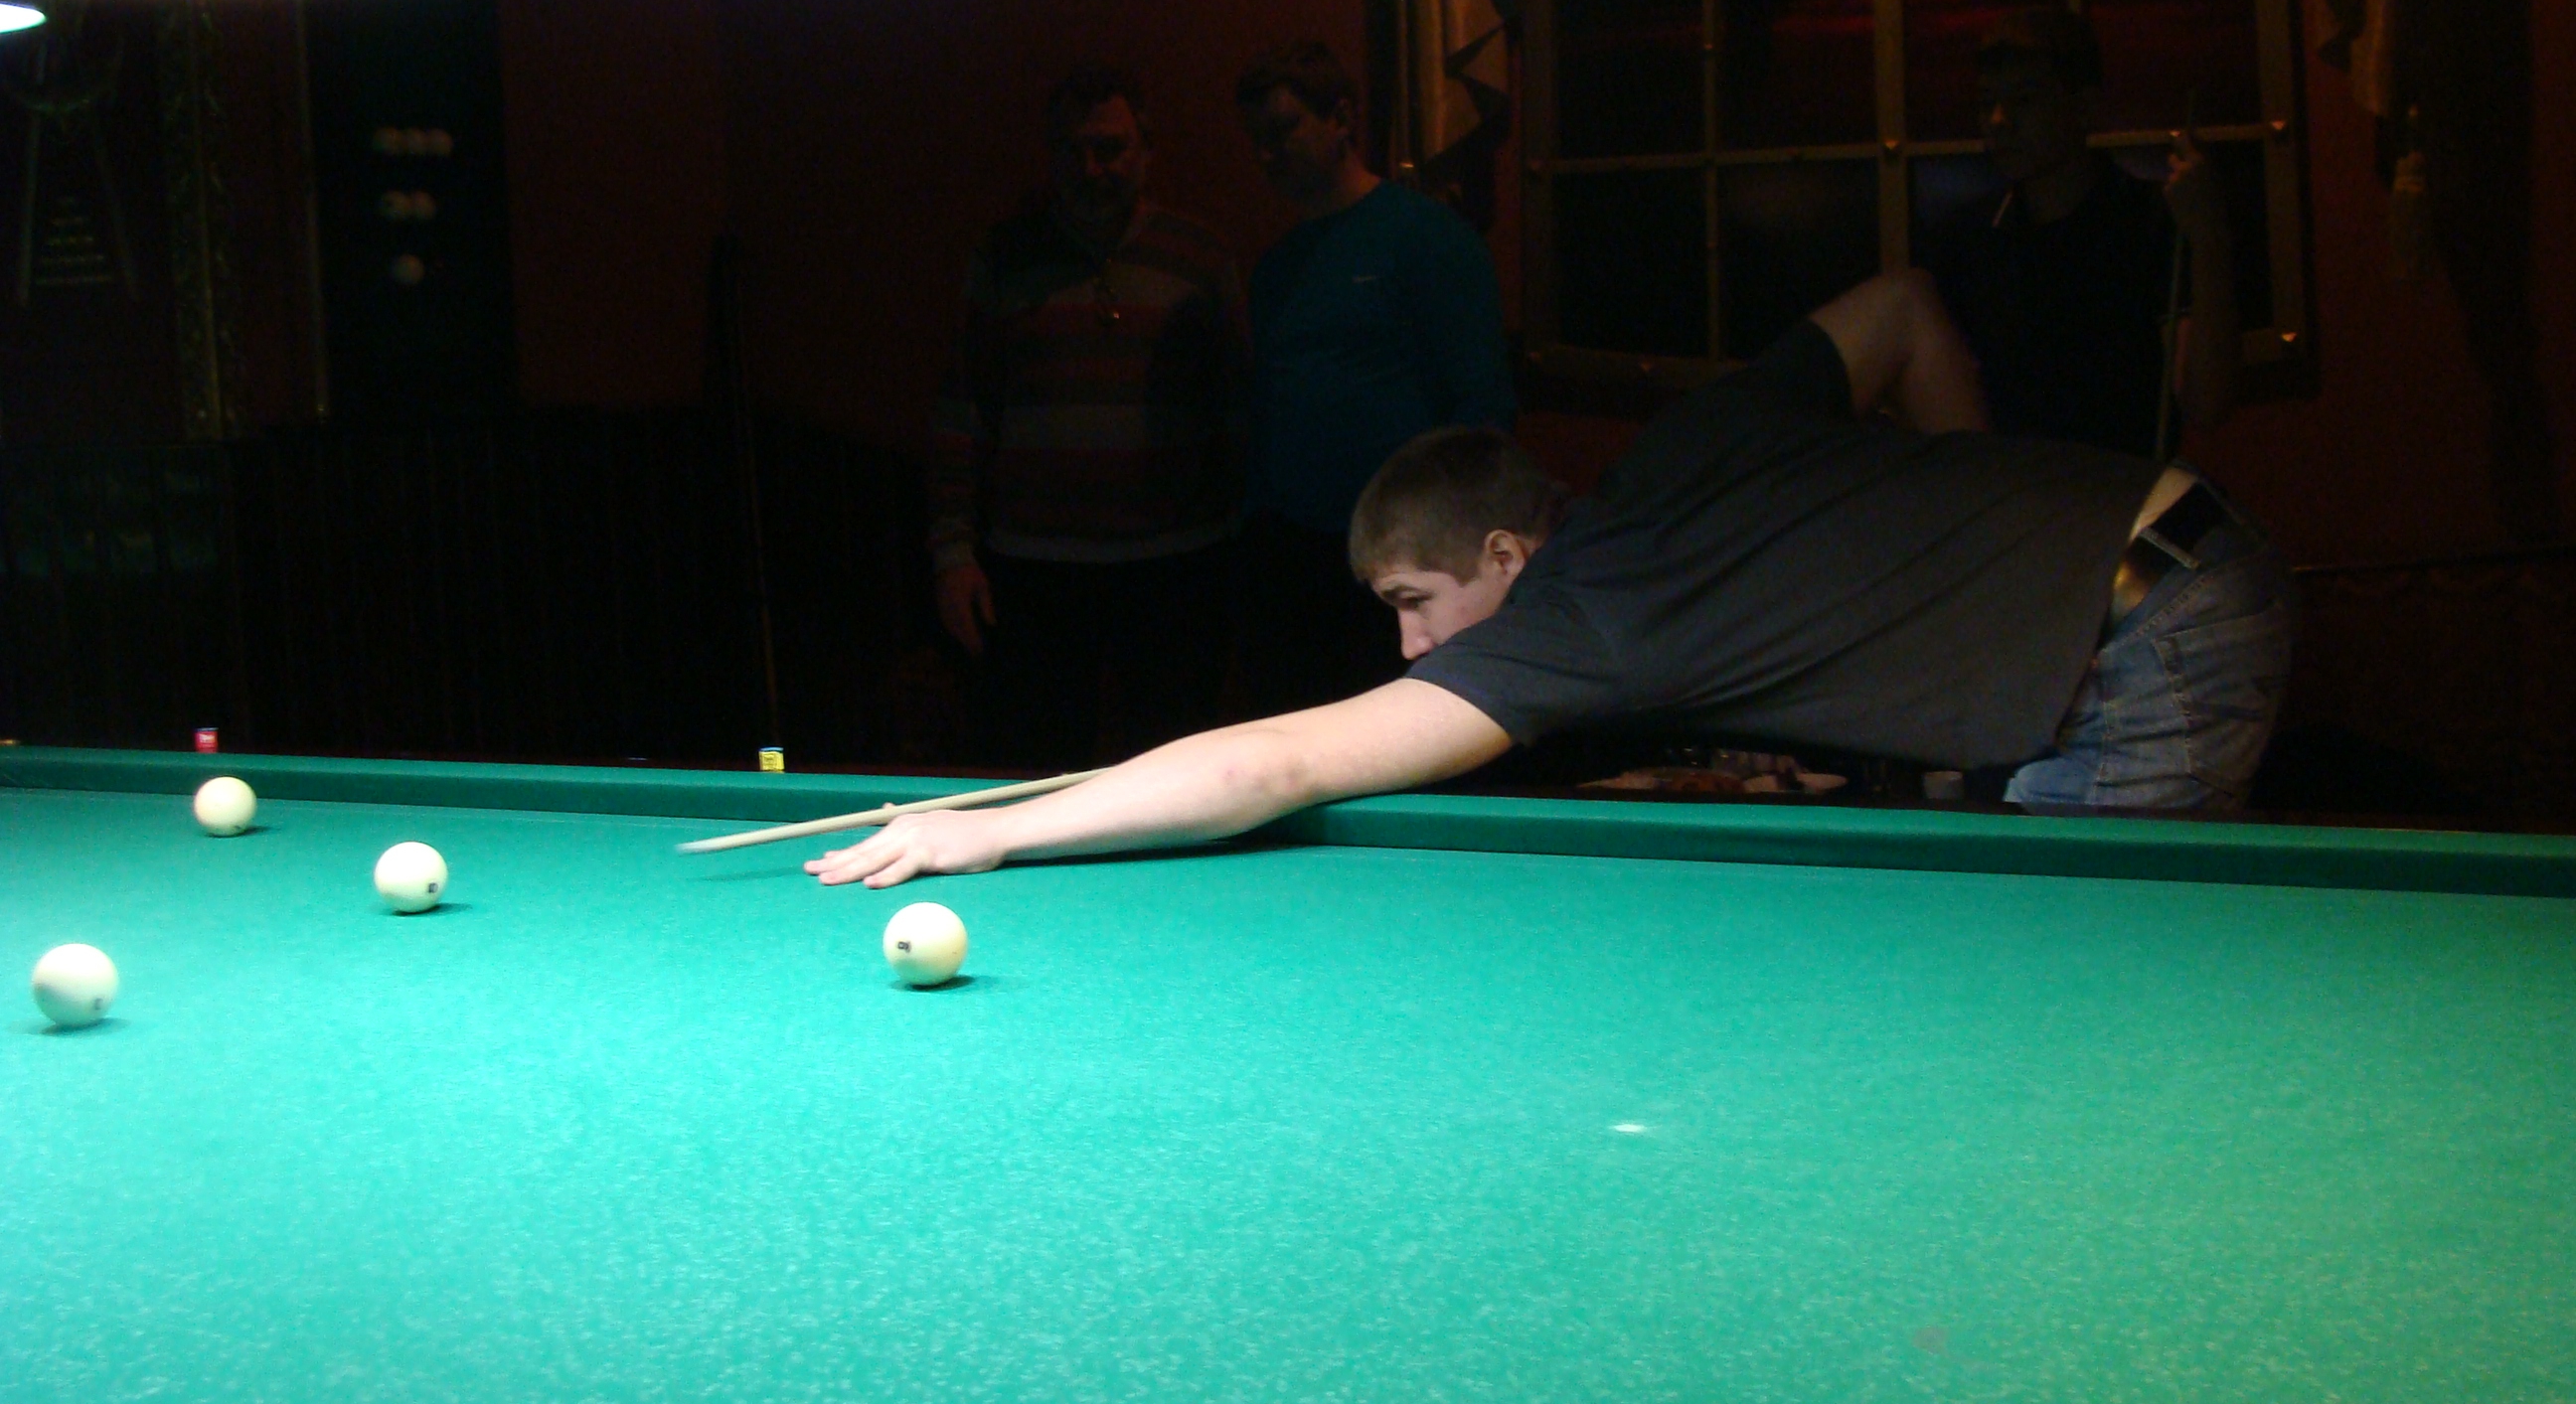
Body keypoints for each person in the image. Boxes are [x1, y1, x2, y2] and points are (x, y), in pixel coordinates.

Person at [811, 273, 2296, 890]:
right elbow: (1903, 308)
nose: (1413, 652)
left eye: (1414, 604)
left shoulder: (1579, 620)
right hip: (2169, 543)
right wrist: (1971, 535)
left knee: (2066, 956)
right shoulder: (1692, 436)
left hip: (2160, 624)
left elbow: (1280, 759)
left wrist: (993, 831)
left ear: (1507, 556)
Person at [927, 66, 1246, 770]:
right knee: (1034, 770)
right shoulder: (1004, 257)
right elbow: (962, 409)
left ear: (1146, 150)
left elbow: (1237, 410)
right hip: (1036, 570)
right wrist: (953, 554)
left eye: (1109, 148)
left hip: (1175, 565)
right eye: (1071, 150)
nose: (1090, 168)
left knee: (1174, 772)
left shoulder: (1199, 256)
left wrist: (1239, 553)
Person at [1234, 42, 1518, 711]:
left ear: (1341, 119)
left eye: (1284, 130)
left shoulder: (1424, 237)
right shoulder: (1277, 266)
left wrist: (1453, 541)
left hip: (1405, 552)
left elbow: (1482, 400)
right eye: (1258, 140)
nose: (1269, 154)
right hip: (1297, 552)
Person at [1922, 7, 2241, 459]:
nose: (1998, 120)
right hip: (2008, 488)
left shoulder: (2149, 219)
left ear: (2085, 108)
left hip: (2120, 486)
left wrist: (2209, 236)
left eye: (2024, 100)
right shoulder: (1967, 238)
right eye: (1985, 101)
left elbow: (2206, 404)